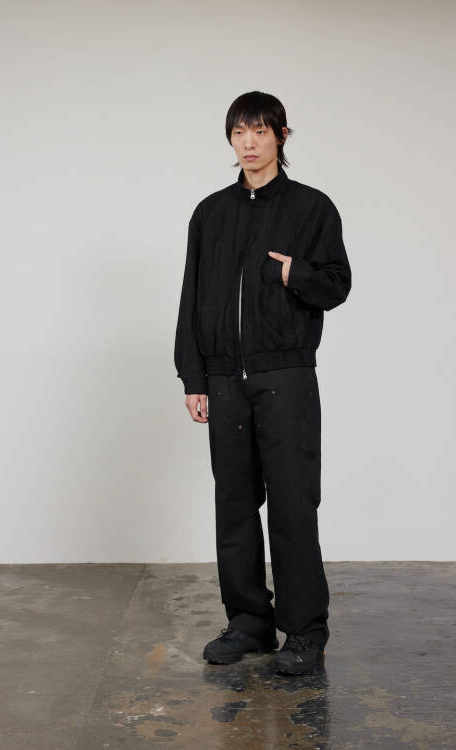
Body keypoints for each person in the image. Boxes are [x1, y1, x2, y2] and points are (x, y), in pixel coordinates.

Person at [174, 90, 352, 674]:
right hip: (224, 380)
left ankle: (304, 630)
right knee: (234, 504)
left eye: (259, 131)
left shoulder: (312, 208)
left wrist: (296, 273)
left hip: (286, 376)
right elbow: (192, 296)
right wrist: (194, 377)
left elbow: (337, 285)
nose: (248, 143)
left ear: (280, 135)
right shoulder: (210, 213)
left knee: (293, 506)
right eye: (239, 133)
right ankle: (248, 622)